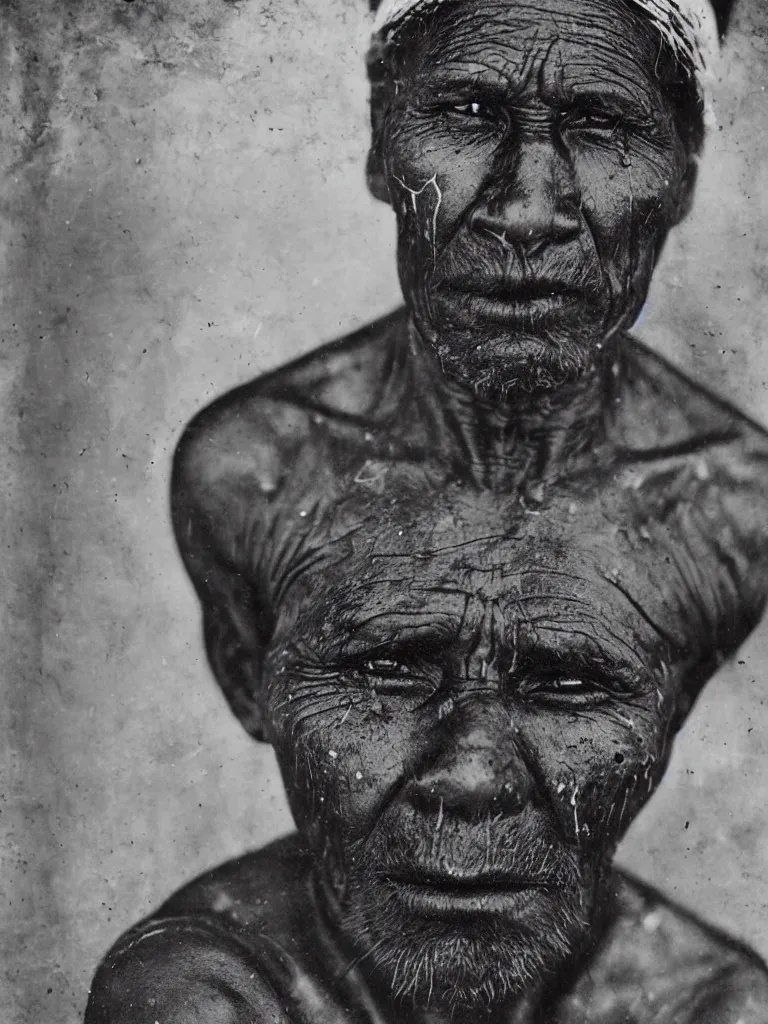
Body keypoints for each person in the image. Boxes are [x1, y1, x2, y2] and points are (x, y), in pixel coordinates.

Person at [87, 0, 768, 1020]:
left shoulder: (732, 509)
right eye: (466, 111)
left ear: (683, 168)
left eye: (600, 127)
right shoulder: (256, 471)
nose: (530, 209)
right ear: (378, 139)